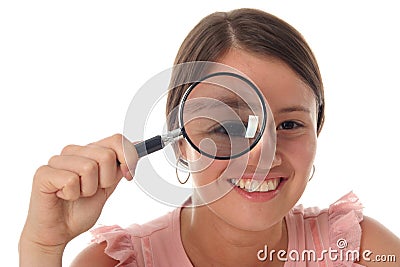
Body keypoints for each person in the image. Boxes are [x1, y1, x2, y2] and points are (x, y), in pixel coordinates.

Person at [19, 8, 400, 267]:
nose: (263, 155)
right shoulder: (116, 263)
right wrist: (42, 246)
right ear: (180, 139)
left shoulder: (359, 251)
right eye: (227, 126)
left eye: (289, 126)